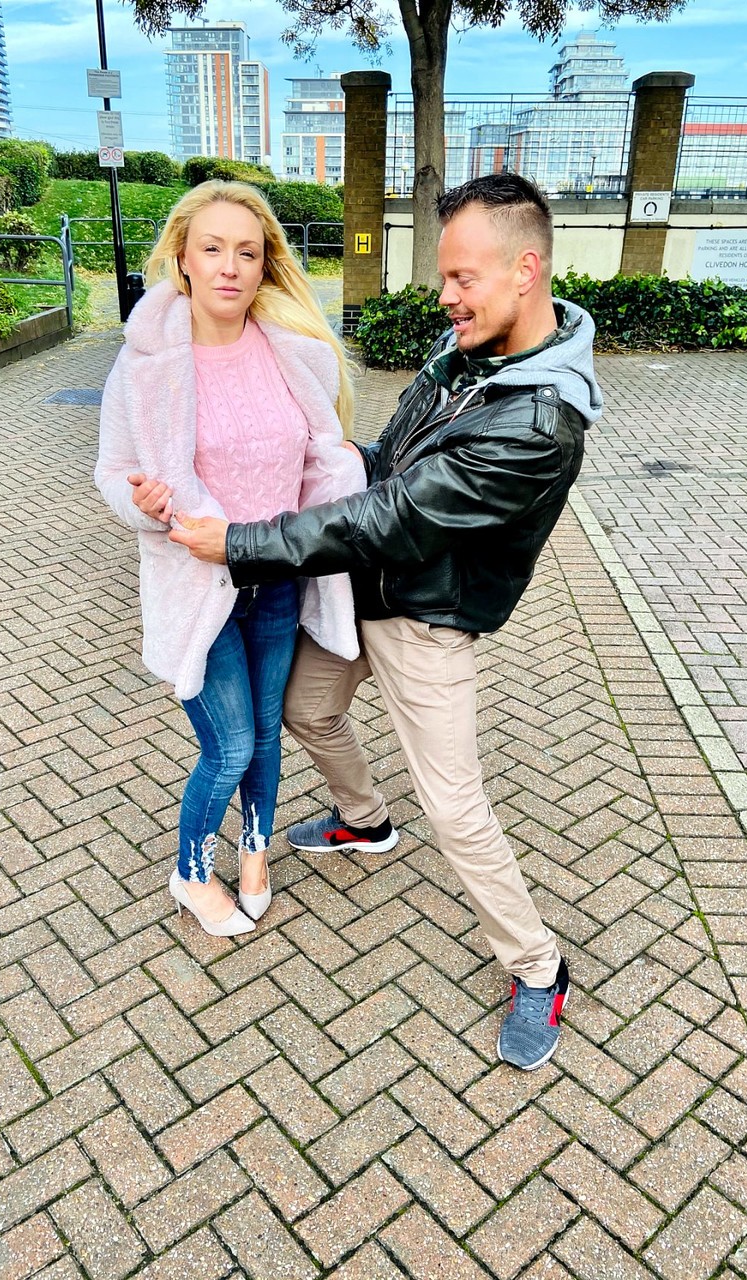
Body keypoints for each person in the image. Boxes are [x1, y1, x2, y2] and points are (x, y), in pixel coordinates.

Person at [168, 173, 603, 1069]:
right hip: (363, 589)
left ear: (525, 271)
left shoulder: (537, 424)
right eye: (445, 278)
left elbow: (393, 515)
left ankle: (539, 966)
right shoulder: (465, 356)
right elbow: (384, 465)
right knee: (306, 707)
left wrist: (242, 543)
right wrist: (311, 455)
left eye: (462, 279)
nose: (445, 297)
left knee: (455, 808)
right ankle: (364, 819)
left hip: (427, 616)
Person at [95, 180, 364, 938]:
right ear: (182, 258)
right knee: (231, 744)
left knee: (269, 735)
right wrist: (139, 501)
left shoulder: (293, 354)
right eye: (212, 249)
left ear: (265, 264)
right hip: (199, 587)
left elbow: (320, 458)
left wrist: (343, 473)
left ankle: (254, 853)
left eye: (247, 252)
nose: (229, 267)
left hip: (274, 579)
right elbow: (112, 472)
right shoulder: (145, 366)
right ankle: (188, 872)